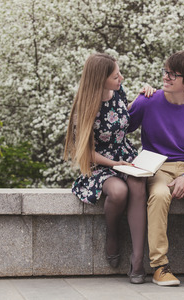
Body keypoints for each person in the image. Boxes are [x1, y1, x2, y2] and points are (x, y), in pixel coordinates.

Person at [64, 53, 155, 284]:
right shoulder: (85, 106)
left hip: (126, 157)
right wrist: (114, 164)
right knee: (118, 192)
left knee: (137, 186)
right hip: (100, 164)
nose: (121, 78)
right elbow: (84, 151)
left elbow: (125, 116)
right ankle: (113, 233)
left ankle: (137, 260)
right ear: (100, 79)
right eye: (116, 76)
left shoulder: (118, 92)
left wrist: (143, 96)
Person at [128, 50, 184, 288]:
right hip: (157, 166)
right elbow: (123, 125)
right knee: (158, 195)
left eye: (173, 75)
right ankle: (160, 266)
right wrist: (137, 99)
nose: (166, 77)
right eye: (165, 72)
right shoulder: (149, 100)